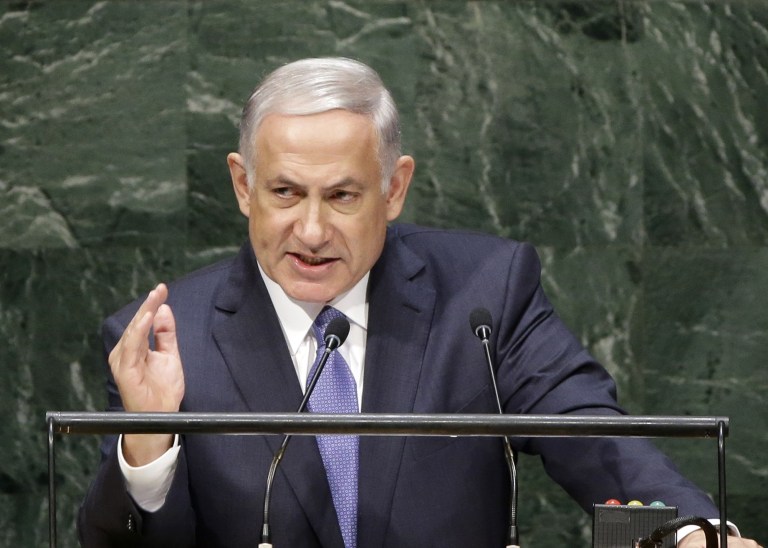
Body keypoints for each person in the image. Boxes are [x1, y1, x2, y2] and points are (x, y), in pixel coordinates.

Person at [78, 57, 761, 548]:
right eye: (285, 193)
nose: (311, 231)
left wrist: (687, 533)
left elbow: (590, 437)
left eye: (343, 196)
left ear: (394, 187)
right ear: (242, 185)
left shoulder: (484, 296)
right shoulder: (174, 339)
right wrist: (147, 440)